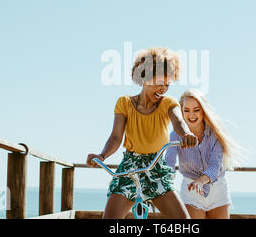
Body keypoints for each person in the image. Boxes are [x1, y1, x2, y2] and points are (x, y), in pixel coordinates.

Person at [86, 47, 198, 219]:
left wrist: (186, 135)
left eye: (168, 84)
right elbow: (116, 137)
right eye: (160, 83)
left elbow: (179, 122)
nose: (164, 89)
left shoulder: (168, 103)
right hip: (130, 168)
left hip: (156, 168)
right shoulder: (124, 103)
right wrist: (102, 156)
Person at [165, 89, 243, 219]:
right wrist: (164, 182)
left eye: (196, 110)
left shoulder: (215, 134)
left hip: (217, 191)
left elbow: (215, 166)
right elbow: (169, 162)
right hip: (191, 191)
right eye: (186, 110)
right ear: (181, 112)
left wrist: (201, 181)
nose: (191, 115)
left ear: (203, 111)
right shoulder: (175, 135)